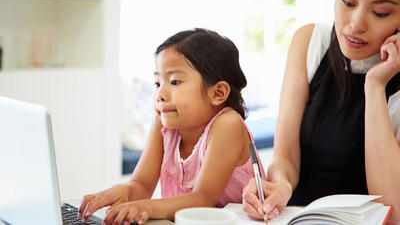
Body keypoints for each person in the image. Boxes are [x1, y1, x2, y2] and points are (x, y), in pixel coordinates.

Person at [242, 0, 400, 223]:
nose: (355, 24)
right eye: (348, 2)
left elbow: (392, 206)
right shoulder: (310, 42)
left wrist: (375, 85)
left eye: (380, 12)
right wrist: (280, 184)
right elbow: (286, 157)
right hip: (298, 218)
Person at [78, 28, 266, 224]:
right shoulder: (164, 124)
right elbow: (141, 185)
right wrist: (123, 192)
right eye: (158, 83)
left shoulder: (228, 125)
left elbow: (203, 199)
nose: (160, 94)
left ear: (217, 93)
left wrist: (144, 207)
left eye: (175, 81)